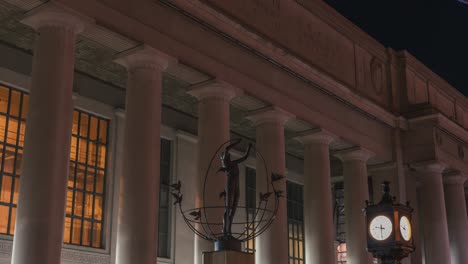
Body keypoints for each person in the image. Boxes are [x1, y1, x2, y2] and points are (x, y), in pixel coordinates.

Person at [218, 139, 252, 237]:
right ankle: (225, 230)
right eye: (225, 155)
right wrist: (237, 142)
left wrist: (249, 148)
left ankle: (229, 230)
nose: (228, 155)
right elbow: (227, 148)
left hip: (236, 187)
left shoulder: (234, 163)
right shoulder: (226, 163)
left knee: (233, 209)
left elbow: (245, 157)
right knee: (228, 208)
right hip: (230, 186)